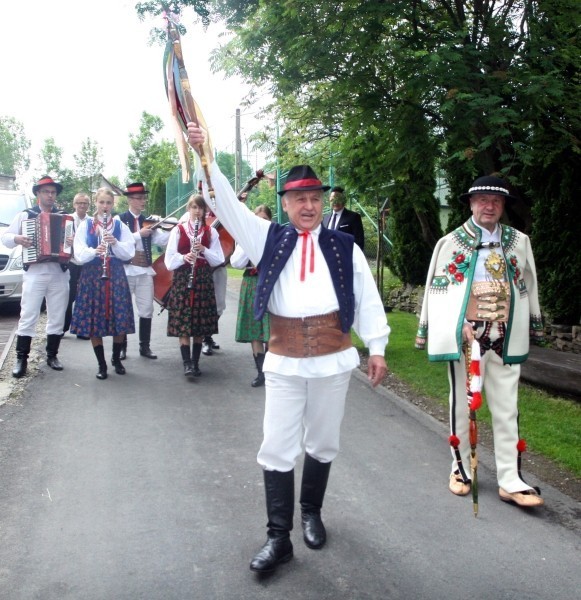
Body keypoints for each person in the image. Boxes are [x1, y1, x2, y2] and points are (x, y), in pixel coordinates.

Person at [187, 124, 390, 575]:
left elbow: (367, 297)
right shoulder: (266, 237)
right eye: (299, 198)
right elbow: (224, 203)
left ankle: (311, 513)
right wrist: (206, 155)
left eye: (315, 198)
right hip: (282, 359)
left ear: (323, 201)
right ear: (284, 203)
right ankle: (278, 538)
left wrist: (376, 346)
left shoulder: (344, 246)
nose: (308, 205)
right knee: (277, 446)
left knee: (323, 442)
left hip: (334, 360)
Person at [415, 175, 545, 508]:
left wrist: (531, 324)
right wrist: (456, 325)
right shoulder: (451, 243)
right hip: (467, 339)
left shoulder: (519, 242)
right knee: (462, 403)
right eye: (482, 200)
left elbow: (527, 286)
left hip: (504, 336)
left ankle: (510, 479)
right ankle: (460, 468)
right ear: (471, 204)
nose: (489, 206)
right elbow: (439, 291)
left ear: (502, 206)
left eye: (496, 201)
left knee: (507, 408)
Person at [1, 175, 70, 377]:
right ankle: (22, 359)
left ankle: (52, 355)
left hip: (58, 272)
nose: (50, 195)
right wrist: (18, 238)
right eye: (47, 192)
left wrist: (70, 241)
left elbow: (73, 246)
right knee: (28, 314)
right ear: (38, 194)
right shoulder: (26, 215)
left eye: (53, 192)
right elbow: (5, 238)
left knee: (57, 315)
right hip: (35, 272)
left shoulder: (65, 217)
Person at [70, 187, 136, 380]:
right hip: (92, 275)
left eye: (108, 203)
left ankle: (116, 359)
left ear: (112, 204)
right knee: (92, 320)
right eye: (101, 202)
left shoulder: (119, 225)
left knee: (119, 317)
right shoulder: (86, 224)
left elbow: (129, 252)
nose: (105, 206)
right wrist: (94, 251)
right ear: (96, 203)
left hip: (115, 274)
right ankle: (102, 364)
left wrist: (114, 243)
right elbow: (79, 253)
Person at [164, 194, 224, 377]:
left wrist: (203, 250)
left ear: (205, 211)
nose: (198, 212)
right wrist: (184, 257)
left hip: (203, 279)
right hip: (184, 278)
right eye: (194, 208)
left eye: (201, 208)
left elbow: (219, 259)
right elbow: (169, 261)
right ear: (188, 209)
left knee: (199, 323)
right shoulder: (178, 230)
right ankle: (187, 363)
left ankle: (196, 363)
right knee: (184, 322)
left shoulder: (210, 232)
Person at [117, 182, 170, 360]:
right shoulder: (119, 220)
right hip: (126, 270)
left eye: (143, 198)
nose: (143, 201)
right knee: (123, 309)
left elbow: (162, 241)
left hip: (145, 270)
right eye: (139, 198)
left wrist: (170, 227)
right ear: (130, 200)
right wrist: (139, 234)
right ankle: (122, 346)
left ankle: (144, 346)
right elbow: (117, 243)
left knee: (146, 309)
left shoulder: (149, 220)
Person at [230, 204, 273, 387]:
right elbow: (236, 263)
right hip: (251, 284)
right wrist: (250, 243)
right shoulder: (246, 237)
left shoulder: (275, 236)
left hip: (270, 284)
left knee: (271, 330)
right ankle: (260, 372)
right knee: (255, 329)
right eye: (258, 219)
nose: (261, 222)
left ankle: (272, 371)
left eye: (264, 219)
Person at [63, 192, 90, 337]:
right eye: (79, 203)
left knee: (84, 296)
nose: (82, 205)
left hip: (86, 263)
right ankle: (63, 327)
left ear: (88, 206)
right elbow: (62, 241)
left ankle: (82, 329)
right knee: (69, 295)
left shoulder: (91, 221)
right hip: (72, 262)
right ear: (74, 205)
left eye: (85, 203)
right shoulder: (67, 220)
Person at [323, 186, 365, 250]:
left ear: (344, 200)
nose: (335, 202)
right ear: (329, 200)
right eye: (332, 200)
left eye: (338, 199)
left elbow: (359, 242)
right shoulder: (325, 218)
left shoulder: (353, 217)